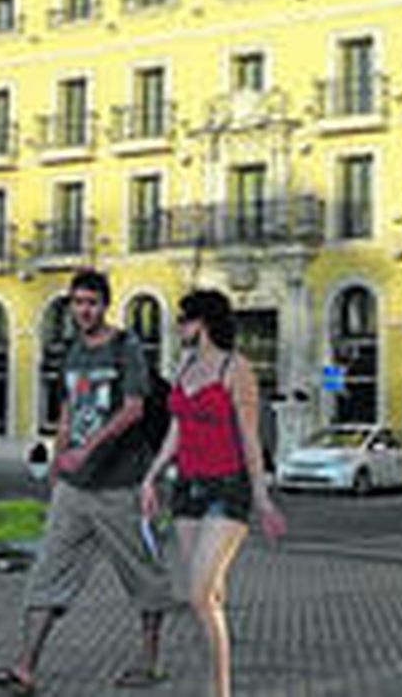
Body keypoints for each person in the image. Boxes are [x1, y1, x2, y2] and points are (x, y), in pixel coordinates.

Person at [0, 270, 174, 695]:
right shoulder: (71, 351)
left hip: (121, 485)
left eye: (91, 302)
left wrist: (88, 450)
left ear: (105, 305)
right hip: (75, 488)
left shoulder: (126, 347)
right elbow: (69, 406)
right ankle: (25, 668)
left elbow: (134, 409)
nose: (83, 310)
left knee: (144, 576)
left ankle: (150, 662)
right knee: (47, 572)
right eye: (77, 303)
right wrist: (59, 452)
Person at [139, 289, 286, 697]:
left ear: (202, 322)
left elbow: (251, 438)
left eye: (184, 319)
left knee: (200, 594)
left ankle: (220, 691)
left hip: (227, 487)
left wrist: (262, 498)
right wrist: (151, 476)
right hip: (187, 488)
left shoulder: (236, 368)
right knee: (206, 594)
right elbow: (177, 430)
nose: (179, 327)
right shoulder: (184, 366)